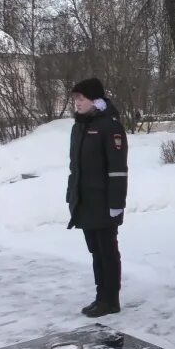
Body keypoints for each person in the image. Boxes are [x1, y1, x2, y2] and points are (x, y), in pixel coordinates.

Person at [66, 78, 128, 318]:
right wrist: (72, 194)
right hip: (85, 202)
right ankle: (100, 296)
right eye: (75, 99)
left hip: (103, 203)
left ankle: (111, 299)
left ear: (95, 100)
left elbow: (118, 170)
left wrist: (116, 204)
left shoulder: (109, 127)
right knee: (95, 251)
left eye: (81, 98)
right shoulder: (79, 127)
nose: (77, 104)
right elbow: (75, 167)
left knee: (107, 250)